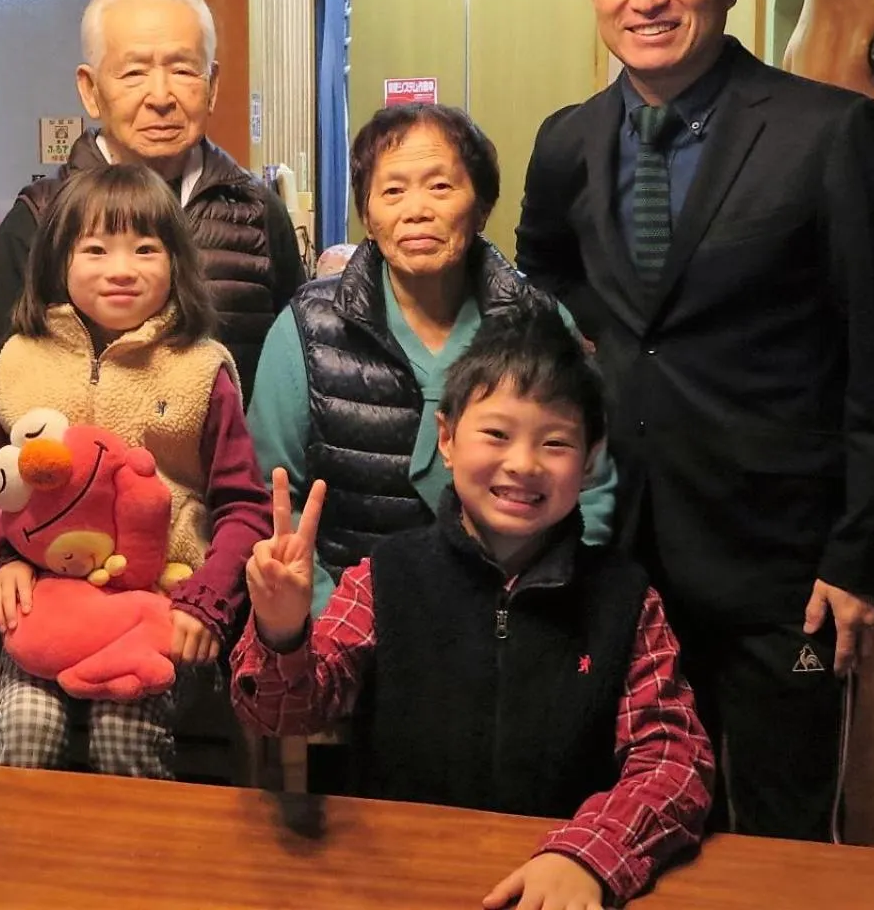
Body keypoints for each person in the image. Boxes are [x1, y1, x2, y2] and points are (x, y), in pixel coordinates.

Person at [515, 0, 874, 841]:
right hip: (612, 543)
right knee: (620, 796)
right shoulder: (567, 140)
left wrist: (863, 557)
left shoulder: (832, 135)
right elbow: (546, 277)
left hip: (779, 560)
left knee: (780, 820)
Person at [233, 296, 712, 910]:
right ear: (448, 438)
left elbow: (675, 760)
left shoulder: (624, 600)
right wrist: (280, 631)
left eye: (555, 443)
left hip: (556, 888)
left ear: (591, 459)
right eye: (496, 433)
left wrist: (589, 854)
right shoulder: (385, 576)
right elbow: (288, 714)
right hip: (398, 878)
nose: (522, 464)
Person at [0, 164, 271, 777]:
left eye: (145, 249)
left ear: (176, 262)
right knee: (24, 736)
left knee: (123, 736)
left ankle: (134, 871)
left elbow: (243, 507)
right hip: (47, 604)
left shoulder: (202, 369)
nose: (121, 269)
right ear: (58, 261)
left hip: (160, 606)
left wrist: (205, 603)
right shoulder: (20, 361)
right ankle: (28, 869)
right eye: (96, 249)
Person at [247, 102, 616, 613]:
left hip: (513, 620)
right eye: (392, 190)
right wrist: (334, 624)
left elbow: (592, 484)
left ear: (482, 206)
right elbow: (270, 494)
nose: (416, 209)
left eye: (440, 187)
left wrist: (544, 607)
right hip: (349, 621)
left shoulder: (539, 321)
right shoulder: (309, 327)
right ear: (368, 216)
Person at [0, 0, 305, 398]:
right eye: (134, 72)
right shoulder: (39, 218)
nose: (160, 96)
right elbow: (13, 390)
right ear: (90, 89)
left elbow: (293, 373)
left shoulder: (257, 212)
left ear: (211, 85)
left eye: (182, 70)